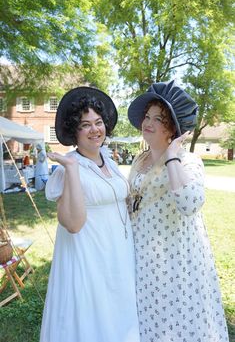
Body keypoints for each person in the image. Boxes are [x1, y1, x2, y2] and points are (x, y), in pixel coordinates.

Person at [127, 80, 229, 342]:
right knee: (147, 313)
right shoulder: (139, 160)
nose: (148, 123)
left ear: (172, 127)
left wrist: (172, 155)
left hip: (175, 256)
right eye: (147, 117)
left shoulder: (188, 161)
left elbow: (189, 203)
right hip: (143, 252)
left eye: (158, 119)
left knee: (174, 316)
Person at [40, 87, 140, 342]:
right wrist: (72, 169)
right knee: (93, 318)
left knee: (118, 316)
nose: (95, 130)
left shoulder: (110, 160)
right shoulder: (67, 168)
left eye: (98, 122)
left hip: (117, 253)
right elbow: (72, 224)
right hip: (88, 255)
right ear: (75, 130)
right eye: (86, 125)